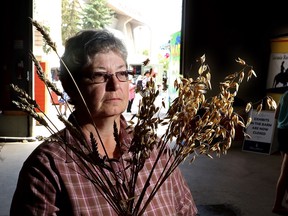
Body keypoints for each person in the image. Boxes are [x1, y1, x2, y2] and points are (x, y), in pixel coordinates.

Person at [10, 29, 198, 215]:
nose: (115, 85)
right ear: (70, 85)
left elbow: (186, 211)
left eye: (122, 73)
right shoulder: (48, 165)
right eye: (99, 75)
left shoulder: (155, 151)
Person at [272, 90, 288, 215]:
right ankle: (277, 205)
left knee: (286, 168)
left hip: (282, 131)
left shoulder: (285, 94)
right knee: (286, 171)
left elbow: (276, 115)